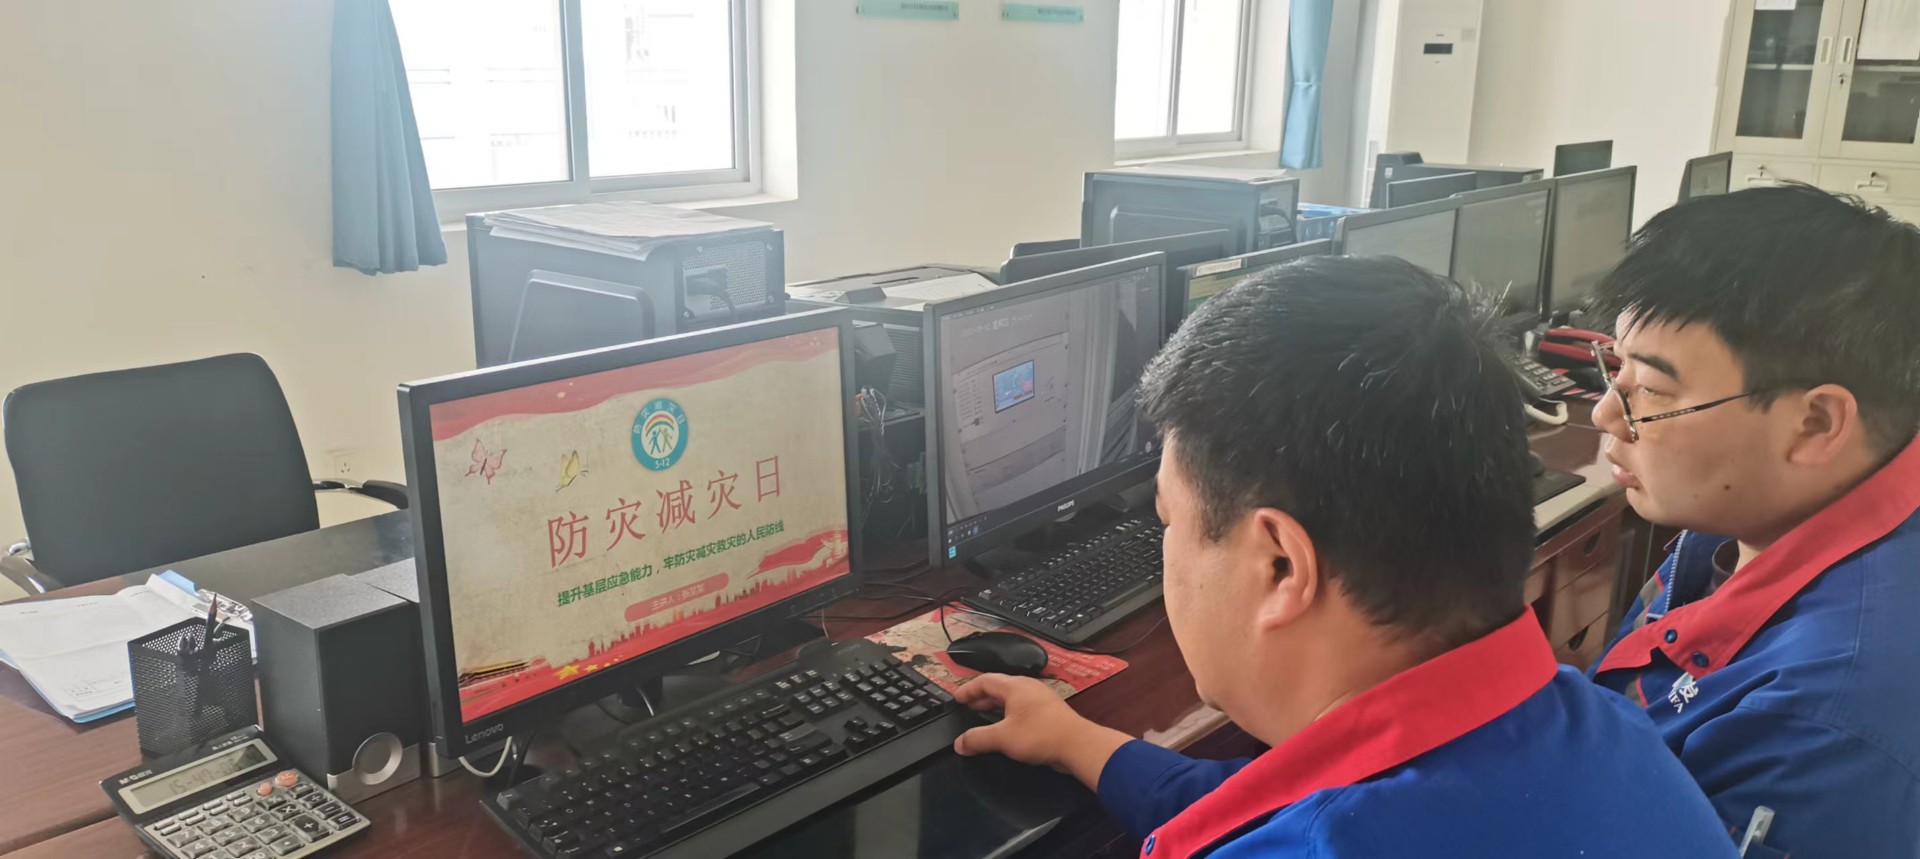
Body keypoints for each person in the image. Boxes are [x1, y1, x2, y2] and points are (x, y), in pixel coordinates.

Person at [952, 256, 1736, 858]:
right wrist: (1079, 740)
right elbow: (1276, 801)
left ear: (1280, 567)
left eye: (1168, 519)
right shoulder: (1605, 731)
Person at [1584, 184, 1920, 858]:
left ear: (1815, 423)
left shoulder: (1822, 732)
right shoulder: (1759, 507)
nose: (1606, 413)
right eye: (1615, 369)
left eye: (1652, 390)